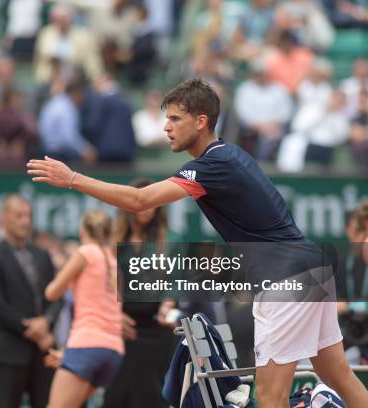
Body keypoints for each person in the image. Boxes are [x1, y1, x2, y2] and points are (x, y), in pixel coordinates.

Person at [28, 78, 368, 408]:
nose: (166, 127)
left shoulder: (212, 164)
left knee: (269, 398)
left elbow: (139, 200)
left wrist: (73, 178)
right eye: (166, 119)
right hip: (311, 268)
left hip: (284, 279)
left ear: (201, 121)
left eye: (175, 118)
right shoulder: (227, 155)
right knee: (337, 373)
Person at [103, 177, 178, 408]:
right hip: (123, 329)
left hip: (157, 331)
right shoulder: (114, 241)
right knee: (116, 396)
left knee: (151, 397)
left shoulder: (168, 240)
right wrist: (113, 316)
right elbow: (103, 284)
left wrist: (168, 303)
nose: (145, 207)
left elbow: (175, 282)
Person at [0, 195, 62, 408]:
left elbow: (57, 296)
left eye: (28, 216)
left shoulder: (43, 255)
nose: (25, 221)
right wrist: (34, 330)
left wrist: (46, 322)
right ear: (4, 218)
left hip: (44, 353)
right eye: (19, 216)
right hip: (8, 351)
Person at [44, 210, 124, 408]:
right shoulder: (114, 263)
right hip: (113, 351)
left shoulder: (85, 253)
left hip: (86, 346)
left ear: (82, 231)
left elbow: (51, 292)